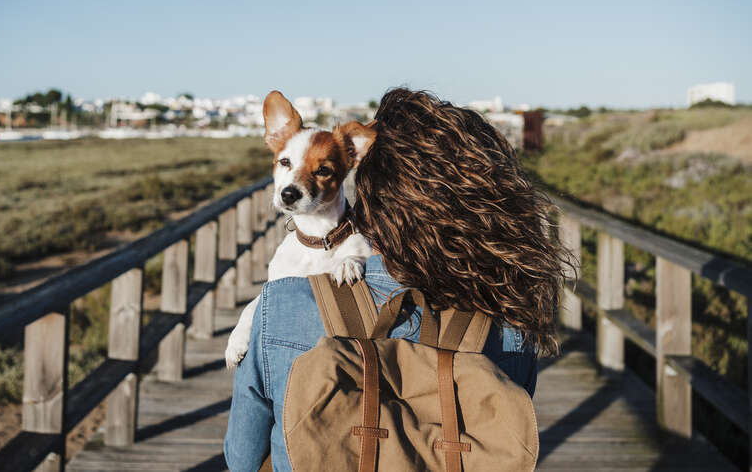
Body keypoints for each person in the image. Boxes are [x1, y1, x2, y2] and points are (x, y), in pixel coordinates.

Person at [224, 88, 569, 472]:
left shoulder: (282, 305)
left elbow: (242, 457)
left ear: (372, 195)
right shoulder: (509, 314)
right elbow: (509, 433)